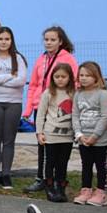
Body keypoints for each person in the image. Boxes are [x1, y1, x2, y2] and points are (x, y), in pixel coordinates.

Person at [22, 26, 79, 194]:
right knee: (42, 144)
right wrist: (28, 108)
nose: (49, 42)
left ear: (60, 41)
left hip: (58, 108)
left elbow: (75, 83)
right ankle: (42, 178)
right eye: (46, 39)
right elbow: (33, 85)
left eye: (52, 39)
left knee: (58, 148)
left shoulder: (68, 59)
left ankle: (57, 180)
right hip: (40, 106)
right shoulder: (41, 59)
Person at [0, 27, 27, 190]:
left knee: (9, 139)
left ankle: (6, 175)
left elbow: (21, 80)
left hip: (13, 103)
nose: (3, 42)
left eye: (7, 39)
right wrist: (10, 76)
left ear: (11, 41)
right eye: (0, 39)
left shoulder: (19, 59)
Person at [71, 62, 107, 206]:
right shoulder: (78, 94)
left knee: (100, 165)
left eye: (88, 75)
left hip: (99, 139)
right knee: (86, 165)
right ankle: (86, 190)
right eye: (81, 75)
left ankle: (101, 192)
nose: (84, 78)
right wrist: (79, 134)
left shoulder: (103, 94)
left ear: (96, 77)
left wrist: (95, 135)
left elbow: (105, 117)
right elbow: (75, 115)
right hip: (83, 138)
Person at [35, 63, 75, 202]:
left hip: (67, 136)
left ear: (69, 77)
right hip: (51, 135)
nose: (60, 79)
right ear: (52, 78)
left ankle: (60, 187)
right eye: (57, 76)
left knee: (62, 163)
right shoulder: (48, 93)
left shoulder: (73, 93)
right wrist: (39, 133)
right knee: (50, 162)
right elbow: (41, 114)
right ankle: (49, 187)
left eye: (63, 76)